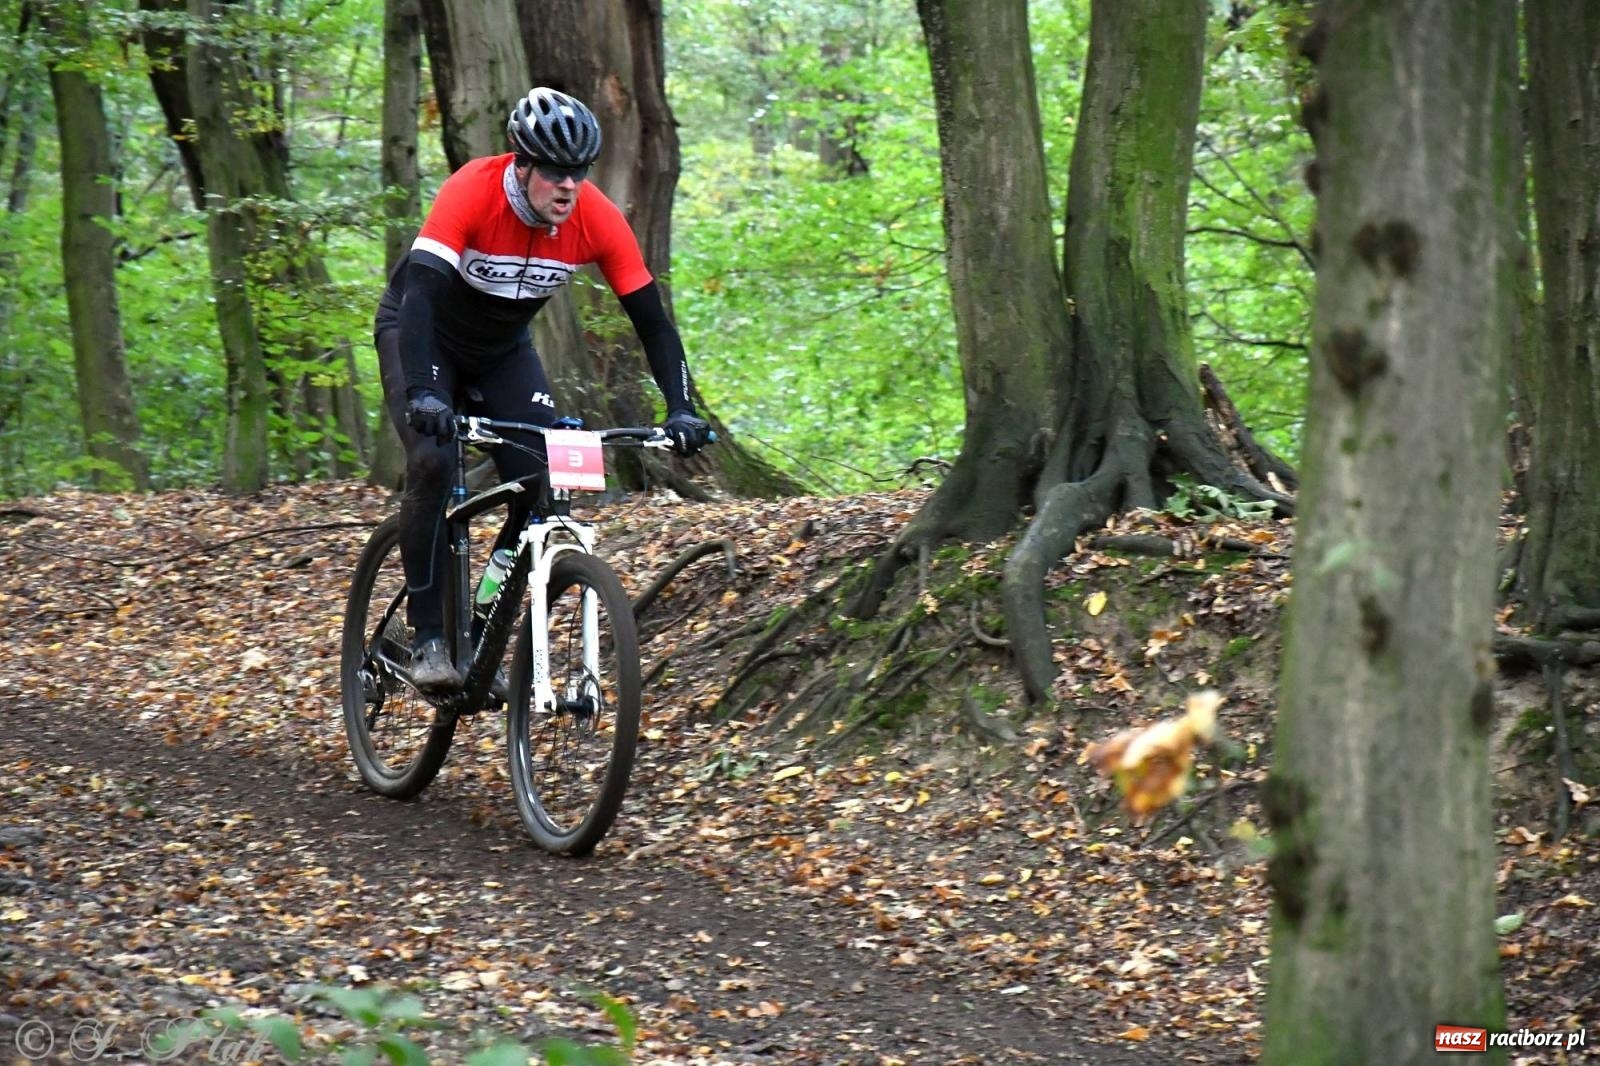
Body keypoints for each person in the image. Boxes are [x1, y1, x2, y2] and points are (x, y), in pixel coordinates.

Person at [374, 86, 711, 693]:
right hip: (420, 337)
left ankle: (478, 624)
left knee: (544, 479)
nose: (568, 186)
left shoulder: (595, 217)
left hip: (502, 353)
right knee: (430, 462)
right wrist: (426, 394)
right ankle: (427, 639)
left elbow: (653, 323)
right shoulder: (472, 191)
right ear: (521, 164)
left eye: (578, 172)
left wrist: (681, 407)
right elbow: (421, 296)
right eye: (555, 172)